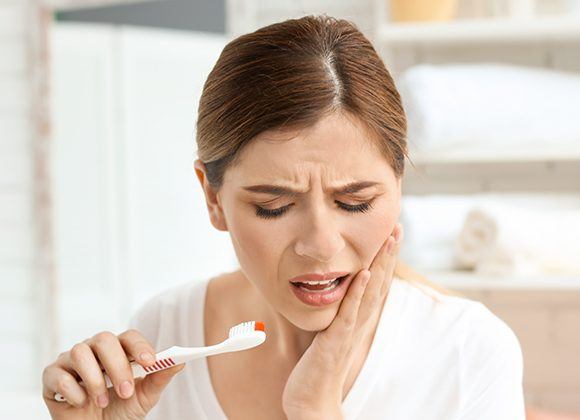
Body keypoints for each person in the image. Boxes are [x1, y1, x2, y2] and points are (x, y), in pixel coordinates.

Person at [42, 14, 526, 420]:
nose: (320, 243)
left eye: (355, 202)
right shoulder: (166, 332)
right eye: (273, 206)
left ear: (398, 186)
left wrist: (315, 408)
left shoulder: (467, 352)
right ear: (212, 198)